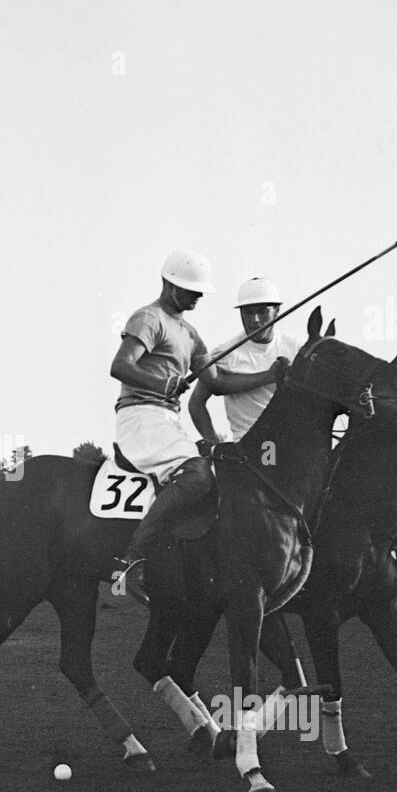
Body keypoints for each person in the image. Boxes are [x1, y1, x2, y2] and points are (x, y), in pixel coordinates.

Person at [109, 252, 286, 605]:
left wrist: (268, 376)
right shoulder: (149, 319)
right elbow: (120, 366)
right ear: (168, 283)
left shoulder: (191, 334)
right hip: (140, 415)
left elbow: (217, 382)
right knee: (196, 475)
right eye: (190, 290)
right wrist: (161, 384)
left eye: (200, 292)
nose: (197, 297)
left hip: (167, 419)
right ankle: (130, 564)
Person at [188, 277, 300, 446]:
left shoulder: (297, 347)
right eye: (248, 312)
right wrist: (215, 443)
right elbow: (196, 403)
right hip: (255, 448)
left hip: (295, 442)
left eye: (263, 311)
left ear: (277, 311)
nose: (255, 319)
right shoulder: (224, 354)